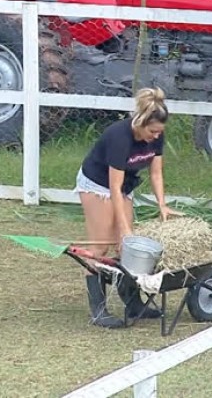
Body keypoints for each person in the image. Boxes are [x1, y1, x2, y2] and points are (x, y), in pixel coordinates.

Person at [74, 87, 183, 328]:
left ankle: (134, 305)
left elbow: (156, 173)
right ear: (140, 123)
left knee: (127, 247)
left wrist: (162, 204)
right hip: (98, 184)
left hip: (124, 186)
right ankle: (98, 311)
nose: (156, 136)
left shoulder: (156, 135)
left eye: (159, 132)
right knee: (100, 246)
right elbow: (113, 187)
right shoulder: (119, 137)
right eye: (152, 131)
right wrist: (123, 227)